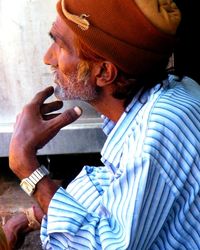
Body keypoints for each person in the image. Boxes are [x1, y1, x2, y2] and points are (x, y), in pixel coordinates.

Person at [8, 0, 200, 249]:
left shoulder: (156, 132)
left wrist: (27, 167)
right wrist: (37, 214)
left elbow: (107, 244)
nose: (48, 58)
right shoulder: (166, 94)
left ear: (104, 73)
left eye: (60, 44)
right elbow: (114, 186)